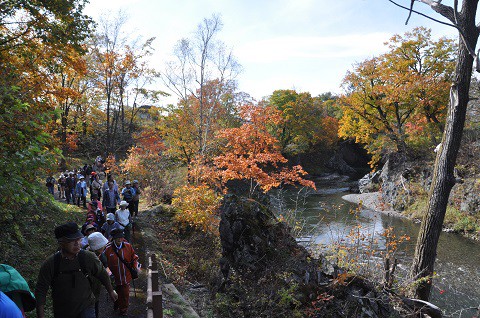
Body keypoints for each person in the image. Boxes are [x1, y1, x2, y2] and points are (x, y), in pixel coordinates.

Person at [35, 222, 117, 318]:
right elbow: (41, 289)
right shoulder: (51, 264)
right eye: (71, 240)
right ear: (61, 242)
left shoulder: (88, 257)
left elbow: (102, 273)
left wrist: (111, 291)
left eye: (78, 239)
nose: (77, 243)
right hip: (63, 311)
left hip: (86, 306)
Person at [104, 228, 140, 316]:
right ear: (113, 238)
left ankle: (123, 310)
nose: (120, 239)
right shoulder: (108, 249)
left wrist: (135, 267)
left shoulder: (128, 246)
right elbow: (104, 263)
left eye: (121, 237)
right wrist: (108, 273)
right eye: (117, 237)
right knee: (116, 293)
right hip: (114, 278)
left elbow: (134, 257)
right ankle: (117, 303)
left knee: (125, 294)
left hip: (125, 276)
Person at [87, 232, 112, 318]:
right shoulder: (89, 257)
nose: (105, 246)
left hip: (95, 289)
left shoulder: (100, 254)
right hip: (88, 291)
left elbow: (105, 266)